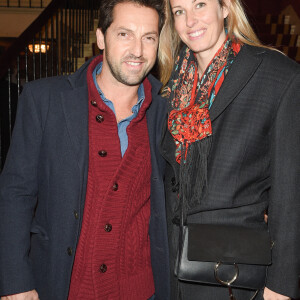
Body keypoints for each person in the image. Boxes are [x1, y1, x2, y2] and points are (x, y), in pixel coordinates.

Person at [0, 0, 171, 299]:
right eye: (124, 34)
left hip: (143, 292)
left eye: (149, 38)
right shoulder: (45, 100)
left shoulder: (167, 109)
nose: (138, 50)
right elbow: (15, 194)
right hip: (60, 287)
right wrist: (16, 282)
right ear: (101, 38)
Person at [158, 0, 300, 299]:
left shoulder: (277, 75)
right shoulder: (170, 82)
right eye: (179, 11)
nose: (190, 21)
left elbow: (290, 192)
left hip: (232, 272)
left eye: (199, 5)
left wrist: (281, 286)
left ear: (225, 8)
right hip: (169, 267)